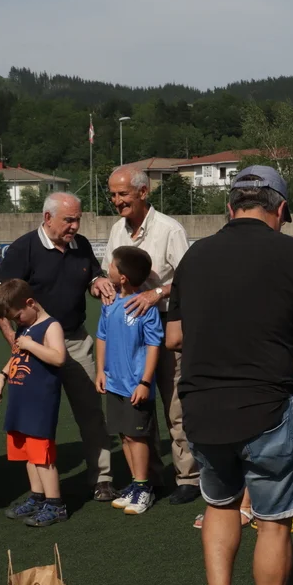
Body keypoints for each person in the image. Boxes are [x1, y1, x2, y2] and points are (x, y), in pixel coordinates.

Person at [166, 166, 293, 585]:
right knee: (274, 522)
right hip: (266, 405)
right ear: (280, 209)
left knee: (220, 506)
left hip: (202, 406)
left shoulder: (196, 255)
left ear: (231, 207)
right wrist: (289, 317)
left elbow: (173, 337)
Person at [0, 193, 118, 501]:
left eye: (78, 219)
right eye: (68, 220)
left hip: (75, 341)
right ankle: (41, 491)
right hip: (35, 348)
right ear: (47, 218)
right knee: (35, 418)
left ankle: (102, 478)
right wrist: (15, 344)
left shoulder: (81, 245)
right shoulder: (23, 249)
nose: (74, 226)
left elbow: (91, 276)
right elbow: (0, 300)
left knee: (91, 413)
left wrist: (97, 282)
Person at [103, 166, 199, 505]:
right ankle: (150, 478)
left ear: (143, 192)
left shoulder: (169, 229)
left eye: (123, 194)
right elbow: (108, 272)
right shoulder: (117, 229)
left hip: (167, 321)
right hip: (128, 332)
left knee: (175, 403)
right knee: (138, 404)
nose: (117, 201)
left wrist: (155, 293)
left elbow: (189, 278)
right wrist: (99, 283)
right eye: (113, 195)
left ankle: (188, 477)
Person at [95, 246, 164, 516]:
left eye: (111, 265)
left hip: (136, 386)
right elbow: (102, 337)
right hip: (114, 383)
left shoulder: (144, 307)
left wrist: (145, 382)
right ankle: (136, 483)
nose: (108, 268)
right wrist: (101, 371)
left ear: (122, 277)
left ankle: (144, 487)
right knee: (124, 435)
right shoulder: (109, 304)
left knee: (137, 436)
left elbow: (154, 345)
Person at [0, 279, 68, 527]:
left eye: (18, 316)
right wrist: (3, 375)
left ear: (30, 303)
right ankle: (37, 497)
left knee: (43, 457)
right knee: (29, 455)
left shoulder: (50, 325)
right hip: (21, 402)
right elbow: (18, 354)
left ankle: (55, 505)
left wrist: (31, 344)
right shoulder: (25, 328)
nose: (17, 322)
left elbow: (58, 357)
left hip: (39, 404)